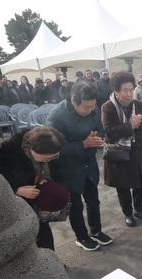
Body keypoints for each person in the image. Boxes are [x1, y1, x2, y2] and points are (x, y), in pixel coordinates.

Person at [46, 81, 113, 251]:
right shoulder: (57, 116)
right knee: (76, 204)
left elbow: (100, 128)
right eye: (85, 107)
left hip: (88, 164)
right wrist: (83, 144)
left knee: (93, 200)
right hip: (67, 168)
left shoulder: (94, 109)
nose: (90, 110)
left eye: (92, 106)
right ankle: (81, 237)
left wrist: (99, 138)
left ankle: (96, 231)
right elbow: (53, 148)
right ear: (73, 100)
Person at [0, 127, 66, 250]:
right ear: (31, 150)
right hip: (17, 204)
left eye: (54, 157)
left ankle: (50, 260)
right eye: (46, 158)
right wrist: (16, 189)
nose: (49, 161)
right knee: (26, 235)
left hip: (37, 198)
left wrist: (47, 179)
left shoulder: (51, 144)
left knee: (44, 232)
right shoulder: (4, 154)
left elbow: (57, 169)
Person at [102, 71, 142, 227]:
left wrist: (138, 126)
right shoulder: (108, 107)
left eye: (131, 89)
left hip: (138, 151)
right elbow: (109, 132)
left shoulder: (137, 105)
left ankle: (138, 209)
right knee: (123, 185)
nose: (129, 93)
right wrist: (129, 126)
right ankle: (128, 213)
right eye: (124, 90)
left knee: (140, 183)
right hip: (119, 153)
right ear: (116, 91)